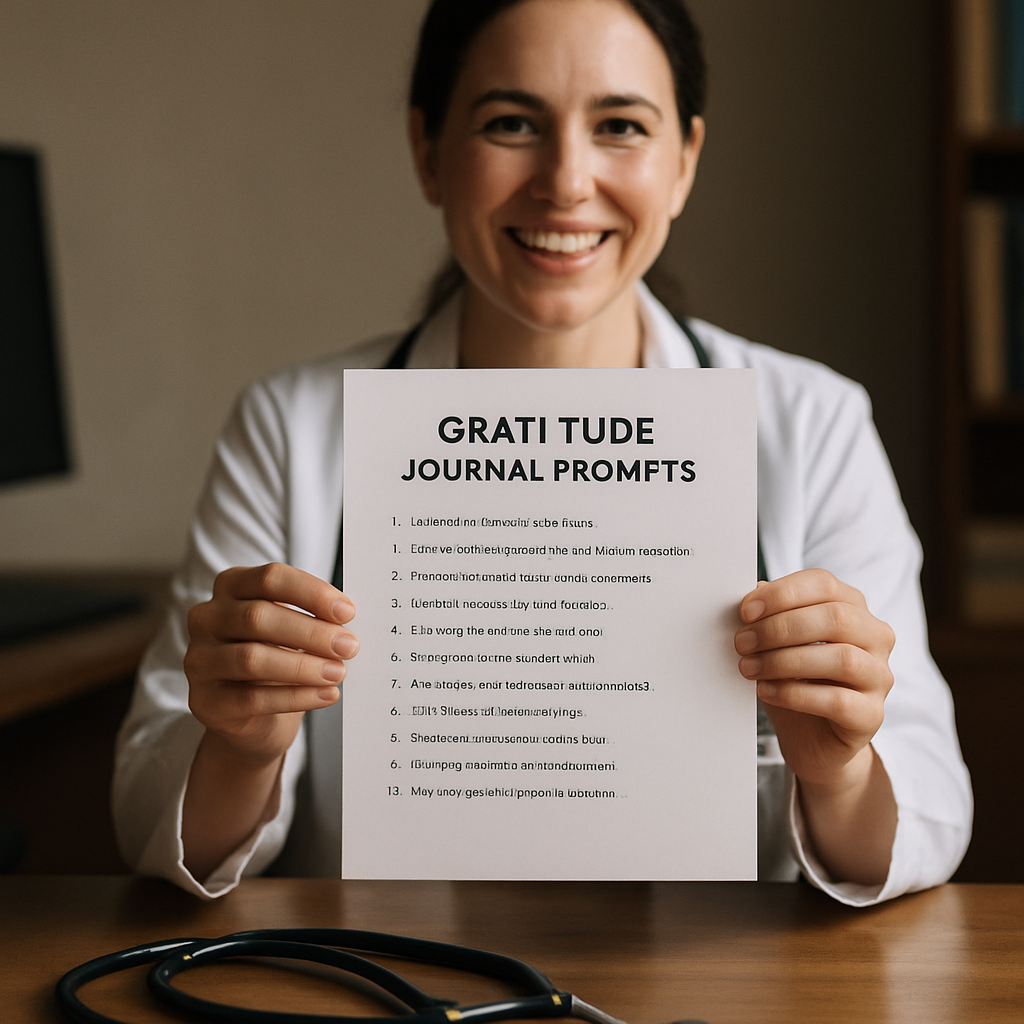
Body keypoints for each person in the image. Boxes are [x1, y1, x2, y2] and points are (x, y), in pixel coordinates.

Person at [113, 0, 972, 904]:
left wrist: (836, 773)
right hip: (394, 981)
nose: (566, 181)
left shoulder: (814, 422)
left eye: (620, 127)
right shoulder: (291, 428)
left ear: (684, 162)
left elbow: (930, 813)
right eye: (511, 123)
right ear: (426, 151)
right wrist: (241, 745)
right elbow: (151, 821)